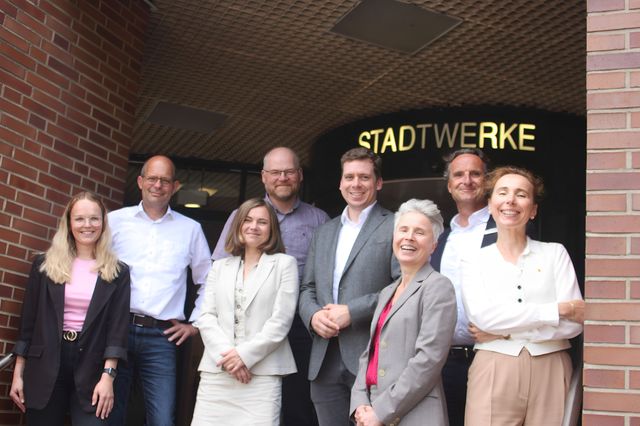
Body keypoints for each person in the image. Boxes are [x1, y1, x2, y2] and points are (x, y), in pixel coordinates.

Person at [212, 146, 329, 425]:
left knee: (297, 403)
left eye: (289, 172)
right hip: (248, 324)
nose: (283, 177)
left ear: (299, 175)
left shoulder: (319, 220)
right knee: (247, 398)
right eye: (275, 172)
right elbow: (217, 274)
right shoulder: (242, 217)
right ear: (264, 177)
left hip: (299, 327)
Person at [461, 166, 584, 425]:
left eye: (521, 194)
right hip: (495, 365)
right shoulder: (474, 259)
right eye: (503, 192)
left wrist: (504, 330)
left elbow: (574, 324)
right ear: (491, 204)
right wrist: (557, 310)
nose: (511, 201)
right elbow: (484, 319)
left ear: (533, 209)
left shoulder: (555, 253)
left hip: (551, 365)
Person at [107, 155, 212, 426]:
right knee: (110, 412)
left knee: (162, 417)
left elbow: (209, 281)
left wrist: (195, 324)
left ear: (175, 186)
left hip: (161, 336)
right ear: (140, 181)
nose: (158, 185)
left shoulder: (190, 229)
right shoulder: (114, 221)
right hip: (116, 331)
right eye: (152, 178)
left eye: (165, 180)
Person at [299, 147, 400, 426]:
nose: (356, 184)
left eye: (364, 177)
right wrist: (313, 315)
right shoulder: (325, 231)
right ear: (341, 183)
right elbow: (307, 287)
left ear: (378, 183)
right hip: (324, 358)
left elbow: (402, 287)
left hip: (371, 358)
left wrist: (352, 311)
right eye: (350, 177)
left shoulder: (395, 225)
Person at [9, 192, 130, 425]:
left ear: (103, 223)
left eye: (94, 219)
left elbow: (117, 329)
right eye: (80, 219)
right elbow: (28, 324)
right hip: (44, 364)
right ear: (68, 223)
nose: (87, 225)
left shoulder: (118, 272)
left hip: (93, 369)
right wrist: (18, 373)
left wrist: (108, 376)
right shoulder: (43, 265)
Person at [192, 198, 298, 425]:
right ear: (238, 225)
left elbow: (281, 320)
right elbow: (207, 317)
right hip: (217, 374)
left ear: (272, 230)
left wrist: (244, 357)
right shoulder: (220, 267)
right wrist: (230, 358)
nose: (254, 226)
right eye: (248, 220)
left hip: (261, 376)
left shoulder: (285, 264)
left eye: (262, 222)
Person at [350, 199, 457, 426]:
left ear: (434, 245)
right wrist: (359, 403)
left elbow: (428, 360)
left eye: (419, 232)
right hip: (370, 412)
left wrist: (380, 412)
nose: (409, 237)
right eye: (403, 230)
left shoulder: (438, 286)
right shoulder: (388, 291)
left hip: (415, 414)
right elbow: (368, 355)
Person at [429, 148, 493, 426]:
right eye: (459, 174)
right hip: (447, 361)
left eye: (475, 173)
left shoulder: (504, 228)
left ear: (486, 180)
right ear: (449, 185)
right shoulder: (441, 238)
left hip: (491, 357)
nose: (467, 180)